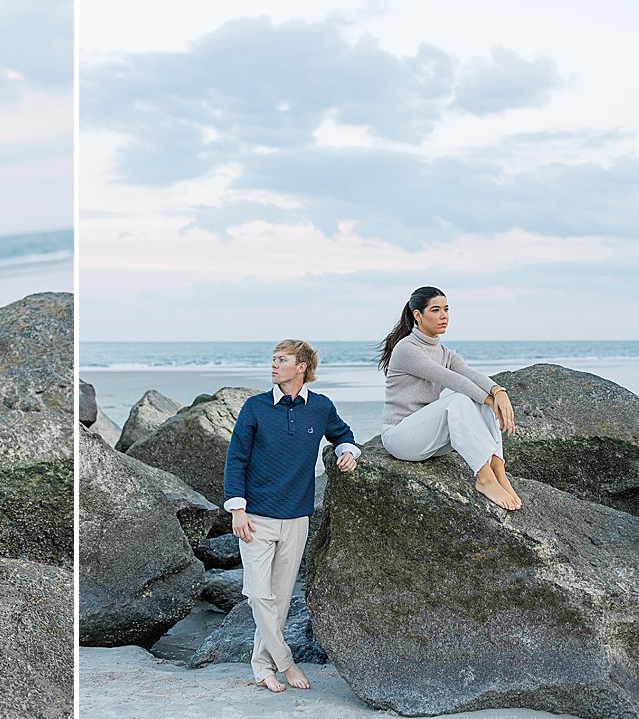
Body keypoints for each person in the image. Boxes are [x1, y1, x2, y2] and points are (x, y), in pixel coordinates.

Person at [223, 339, 360, 693]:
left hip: (297, 517)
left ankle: (261, 666)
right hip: (254, 517)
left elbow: (343, 434)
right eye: (272, 359)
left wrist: (347, 452)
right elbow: (235, 459)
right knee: (257, 593)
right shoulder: (255, 407)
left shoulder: (321, 407)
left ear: (301, 367)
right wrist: (237, 508)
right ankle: (285, 662)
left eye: (281, 360)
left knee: (280, 598)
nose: (273, 365)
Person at [377, 286, 520, 511]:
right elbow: (452, 379)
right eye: (435, 310)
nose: (443, 316)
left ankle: (498, 472)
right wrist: (492, 402)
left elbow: (470, 374)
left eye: (446, 309)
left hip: (429, 439)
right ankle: (484, 478)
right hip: (400, 437)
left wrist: (499, 391)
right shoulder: (407, 349)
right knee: (461, 399)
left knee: (475, 400)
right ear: (418, 315)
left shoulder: (445, 352)